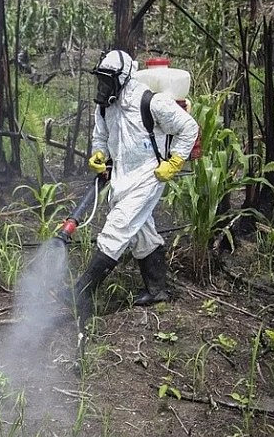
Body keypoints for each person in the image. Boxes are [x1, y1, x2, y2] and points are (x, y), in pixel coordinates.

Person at [71, 49, 199, 319]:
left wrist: (174, 161)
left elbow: (189, 128)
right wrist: (99, 154)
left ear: (124, 78)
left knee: (117, 229)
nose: (103, 86)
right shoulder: (105, 105)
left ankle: (81, 293)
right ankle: (157, 290)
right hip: (122, 176)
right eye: (101, 80)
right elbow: (101, 135)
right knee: (141, 230)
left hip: (150, 175)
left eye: (109, 80)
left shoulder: (152, 102)